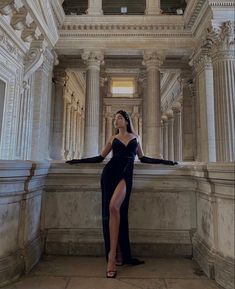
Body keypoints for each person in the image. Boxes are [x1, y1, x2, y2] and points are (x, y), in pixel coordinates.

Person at [66, 110, 177, 278]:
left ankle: (114, 253)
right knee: (111, 210)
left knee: (114, 206)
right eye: (115, 119)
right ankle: (113, 255)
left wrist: (166, 161)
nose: (116, 121)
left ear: (126, 121)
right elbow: (99, 158)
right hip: (109, 174)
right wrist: (77, 161)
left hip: (126, 176)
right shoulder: (112, 138)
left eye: (119, 118)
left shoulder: (136, 137)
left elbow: (144, 158)